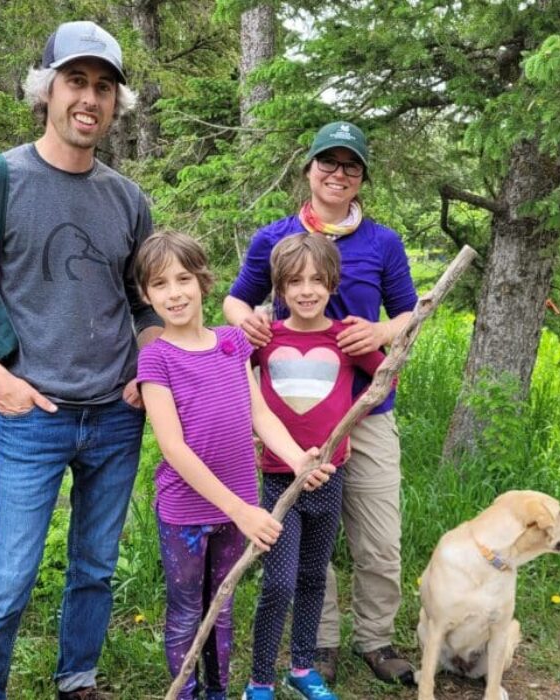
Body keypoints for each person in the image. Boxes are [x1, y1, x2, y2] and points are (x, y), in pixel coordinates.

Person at [0, 21, 162, 700]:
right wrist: (0, 383)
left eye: (105, 87)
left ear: (117, 104)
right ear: (46, 90)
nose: (90, 98)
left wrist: (147, 370)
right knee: (8, 581)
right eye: (77, 82)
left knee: (95, 567)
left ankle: (77, 677)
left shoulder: (127, 199)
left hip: (116, 416)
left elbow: (144, 304)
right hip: (30, 416)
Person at [223, 121, 418, 686]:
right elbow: (237, 302)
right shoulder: (274, 238)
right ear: (308, 170)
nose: (338, 175)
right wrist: (254, 323)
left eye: (350, 167)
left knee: (378, 536)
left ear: (362, 180)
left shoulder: (383, 243)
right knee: (310, 535)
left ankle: (376, 639)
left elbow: (410, 315)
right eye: (327, 164)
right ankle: (319, 645)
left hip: (368, 411)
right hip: (294, 421)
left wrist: (382, 335)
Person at [134, 231, 335, 700]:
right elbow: (175, 449)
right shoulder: (156, 359)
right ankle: (186, 693)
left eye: (183, 278)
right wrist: (242, 510)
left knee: (222, 606)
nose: (174, 292)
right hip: (186, 510)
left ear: (203, 282)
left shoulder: (231, 344)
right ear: (147, 295)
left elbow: (259, 414)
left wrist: (295, 458)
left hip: (238, 506)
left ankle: (217, 693)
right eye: (160, 284)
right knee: (187, 608)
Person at [242, 233, 392, 700]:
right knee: (279, 581)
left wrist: (349, 422)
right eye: (294, 282)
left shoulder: (344, 337)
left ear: (332, 283)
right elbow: (233, 373)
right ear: (280, 289)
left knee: (313, 575)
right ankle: (260, 678)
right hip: (279, 477)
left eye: (316, 280)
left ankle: (302, 668)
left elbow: (384, 378)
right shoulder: (267, 338)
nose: (306, 290)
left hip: (331, 475)